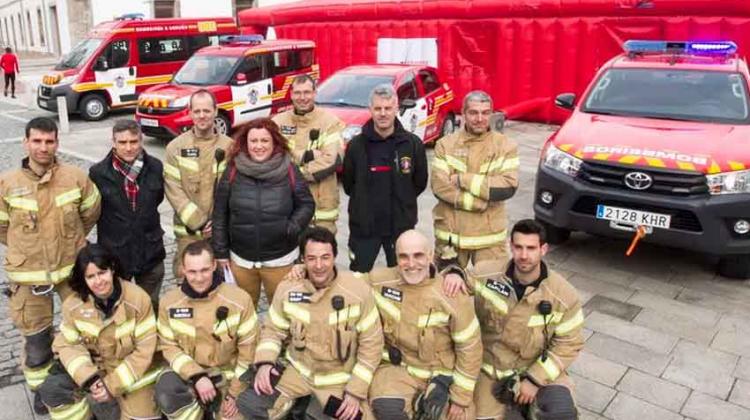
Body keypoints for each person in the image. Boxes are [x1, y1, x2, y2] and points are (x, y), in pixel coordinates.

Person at [0, 117, 101, 414]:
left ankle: (80, 380)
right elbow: (3, 228)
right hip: (29, 278)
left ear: (57, 142)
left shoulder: (75, 177)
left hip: (72, 272)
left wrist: (71, 242)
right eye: (37, 141)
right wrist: (27, 250)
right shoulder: (7, 184)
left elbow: (90, 212)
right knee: (36, 340)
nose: (43, 147)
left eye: (49, 141)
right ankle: (41, 390)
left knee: (84, 330)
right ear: (26, 142)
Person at [237, 226, 384, 419]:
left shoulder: (357, 291)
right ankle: (296, 405)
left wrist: (355, 391)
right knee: (248, 405)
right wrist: (265, 362)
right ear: (302, 260)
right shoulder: (288, 288)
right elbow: (272, 331)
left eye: (325, 257)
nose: (319, 265)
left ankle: (306, 407)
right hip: (297, 374)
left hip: (338, 381)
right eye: (312, 258)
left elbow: (372, 345)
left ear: (334, 258)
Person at [444, 219, 584, 419]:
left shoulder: (563, 295)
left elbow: (569, 344)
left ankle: (531, 406)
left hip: (535, 368)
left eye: (531, 248)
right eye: (518, 247)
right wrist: (454, 273)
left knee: (560, 412)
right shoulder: (488, 273)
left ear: (543, 249)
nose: (524, 255)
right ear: (511, 246)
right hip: (491, 371)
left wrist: (535, 380)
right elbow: (460, 277)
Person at [367, 230, 482, 420]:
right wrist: (302, 271)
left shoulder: (451, 294)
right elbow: (344, 285)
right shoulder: (380, 280)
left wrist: (460, 397)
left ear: (430, 256)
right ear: (396, 258)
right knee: (386, 410)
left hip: (443, 376)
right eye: (404, 257)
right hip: (399, 370)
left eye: (418, 255)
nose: (411, 264)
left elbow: (470, 349)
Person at [37, 243, 161, 420]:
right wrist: (89, 378)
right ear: (83, 279)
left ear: (112, 270)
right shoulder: (73, 306)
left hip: (130, 373)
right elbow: (68, 346)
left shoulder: (138, 299)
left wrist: (111, 386)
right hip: (94, 371)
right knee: (53, 390)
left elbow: (145, 351)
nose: (98, 281)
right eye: (91, 276)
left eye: (102, 273)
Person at [212, 117, 314, 307]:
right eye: (254, 141)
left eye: (264, 140)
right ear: (245, 143)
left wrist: (290, 227)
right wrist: (220, 253)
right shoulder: (232, 170)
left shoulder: (289, 169)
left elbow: (307, 204)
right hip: (241, 261)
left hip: (280, 260)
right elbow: (219, 214)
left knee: (285, 311)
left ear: (274, 142)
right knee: (241, 311)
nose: (259, 146)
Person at [155, 240, 258, 420]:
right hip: (188, 377)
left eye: (204, 270)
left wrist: (234, 394)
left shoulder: (239, 300)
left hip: (228, 378)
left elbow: (248, 352)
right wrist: (197, 376)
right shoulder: (169, 303)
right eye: (192, 272)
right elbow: (169, 347)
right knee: (168, 392)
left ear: (214, 266)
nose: (199, 278)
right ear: (183, 270)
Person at [343, 84, 428, 273]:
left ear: (396, 109)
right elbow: (349, 185)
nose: (383, 113)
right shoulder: (356, 146)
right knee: (359, 277)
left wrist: (402, 201)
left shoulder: (412, 145)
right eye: (378, 108)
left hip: (400, 228)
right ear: (370, 110)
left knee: (402, 279)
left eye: (388, 108)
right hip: (364, 229)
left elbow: (419, 183)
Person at [432, 90, 519, 268]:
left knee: (491, 293)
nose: (480, 118)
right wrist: (480, 203)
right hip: (451, 238)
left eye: (485, 113)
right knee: (446, 292)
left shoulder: (506, 146)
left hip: (489, 240)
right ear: (463, 114)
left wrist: (462, 179)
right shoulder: (445, 145)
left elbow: (507, 187)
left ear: (491, 114)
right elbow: (440, 187)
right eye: (473, 112)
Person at [89, 119, 165, 309]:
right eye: (122, 143)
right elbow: (92, 211)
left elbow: (157, 199)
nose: (129, 148)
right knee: (119, 308)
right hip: (115, 256)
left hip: (150, 253)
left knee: (149, 306)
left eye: (133, 142)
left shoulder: (155, 167)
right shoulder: (98, 173)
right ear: (114, 143)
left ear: (141, 141)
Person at [164, 89, 233, 278]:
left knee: (220, 288)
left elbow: (234, 191)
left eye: (207, 111)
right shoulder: (176, 148)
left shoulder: (230, 146)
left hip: (221, 235)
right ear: (189, 112)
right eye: (197, 111)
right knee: (187, 286)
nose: (202, 116)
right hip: (188, 234)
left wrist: (218, 224)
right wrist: (200, 222)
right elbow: (173, 190)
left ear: (216, 111)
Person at [273, 74, 344, 233]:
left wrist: (293, 170)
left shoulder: (330, 122)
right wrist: (309, 155)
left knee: (321, 256)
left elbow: (332, 160)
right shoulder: (277, 123)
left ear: (314, 93)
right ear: (291, 94)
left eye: (307, 92)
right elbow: (274, 159)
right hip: (287, 208)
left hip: (321, 212)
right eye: (297, 93)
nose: (302, 97)